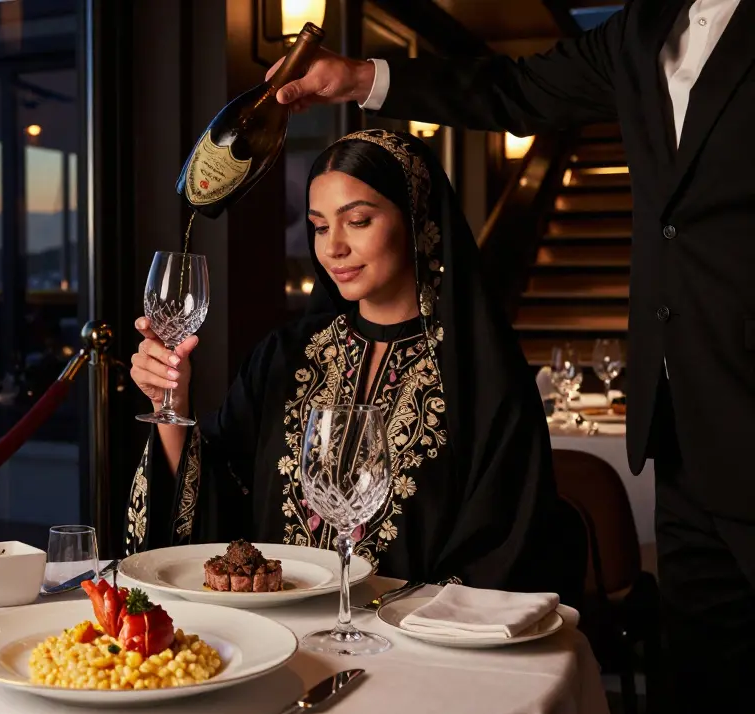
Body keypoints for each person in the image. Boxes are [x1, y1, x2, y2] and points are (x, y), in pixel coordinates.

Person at [266, 1, 755, 707]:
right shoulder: (643, 28)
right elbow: (512, 89)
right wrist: (359, 78)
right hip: (678, 427)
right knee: (706, 686)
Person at [126, 130, 576, 598]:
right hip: (278, 638)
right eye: (320, 227)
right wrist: (171, 403)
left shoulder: (481, 375)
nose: (332, 247)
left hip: (413, 648)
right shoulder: (286, 355)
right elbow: (216, 504)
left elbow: (505, 550)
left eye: (357, 221)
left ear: (417, 220)